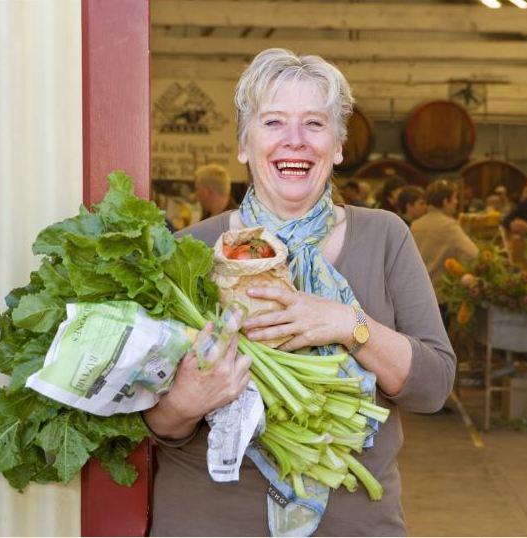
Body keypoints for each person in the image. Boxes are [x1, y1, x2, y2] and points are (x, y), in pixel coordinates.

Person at [143, 48, 455, 536]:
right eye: (272, 123)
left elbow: (434, 387)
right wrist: (187, 400)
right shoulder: (189, 253)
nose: (295, 141)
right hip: (211, 521)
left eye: (314, 124)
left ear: (338, 146)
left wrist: (349, 325)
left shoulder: (385, 236)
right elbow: (157, 425)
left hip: (353, 523)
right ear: (243, 145)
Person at [411, 179, 479, 327]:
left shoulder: (415, 225)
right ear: (445, 201)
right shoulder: (449, 227)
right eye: (454, 198)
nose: (456, 202)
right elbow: (473, 254)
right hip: (439, 298)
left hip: (415, 296)